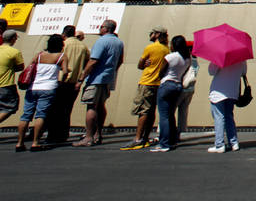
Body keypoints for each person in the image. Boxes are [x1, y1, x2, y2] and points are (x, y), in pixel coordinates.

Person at [74, 19, 124, 147]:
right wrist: (112, 72)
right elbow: (120, 61)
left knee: (91, 106)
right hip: (108, 78)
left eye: (101, 27)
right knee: (101, 105)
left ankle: (89, 137)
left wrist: (82, 77)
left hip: (96, 78)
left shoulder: (102, 41)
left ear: (106, 28)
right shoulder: (118, 42)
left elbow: (93, 61)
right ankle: (98, 134)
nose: (99, 29)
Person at [16, 34, 67, 151]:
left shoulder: (39, 55)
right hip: (48, 88)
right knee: (41, 115)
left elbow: (29, 68)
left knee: (26, 115)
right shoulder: (61, 56)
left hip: (33, 87)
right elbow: (64, 72)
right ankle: (35, 142)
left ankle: (19, 143)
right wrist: (60, 82)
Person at [121, 25, 169, 150]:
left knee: (143, 111)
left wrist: (144, 64)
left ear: (157, 34)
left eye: (152, 33)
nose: (151, 35)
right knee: (152, 111)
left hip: (147, 82)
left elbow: (140, 64)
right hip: (159, 83)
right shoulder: (166, 49)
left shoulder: (150, 48)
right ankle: (146, 137)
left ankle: (138, 138)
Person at [46, 24, 88, 144]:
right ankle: (63, 134)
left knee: (54, 109)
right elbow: (86, 62)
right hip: (74, 82)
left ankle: (53, 134)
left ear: (64, 34)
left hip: (59, 80)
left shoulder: (63, 44)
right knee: (67, 109)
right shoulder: (83, 47)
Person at [153, 35, 191, 152]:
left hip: (167, 84)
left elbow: (161, 71)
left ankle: (164, 143)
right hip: (177, 85)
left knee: (164, 115)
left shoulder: (170, 57)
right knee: (170, 114)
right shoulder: (187, 59)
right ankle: (172, 140)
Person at [207, 57, 246, 153]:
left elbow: (211, 71)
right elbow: (243, 72)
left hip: (218, 92)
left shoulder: (219, 56)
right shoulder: (241, 58)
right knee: (229, 116)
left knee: (219, 117)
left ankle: (219, 144)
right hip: (232, 91)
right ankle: (234, 142)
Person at [0, 28, 24, 126]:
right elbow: (20, 67)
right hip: (6, 85)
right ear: (13, 39)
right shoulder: (14, 52)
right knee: (11, 106)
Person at [175, 43, 198, 136]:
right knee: (183, 111)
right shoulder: (195, 60)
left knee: (170, 110)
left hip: (182, 88)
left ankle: (165, 132)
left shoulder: (185, 60)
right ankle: (181, 131)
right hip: (190, 89)